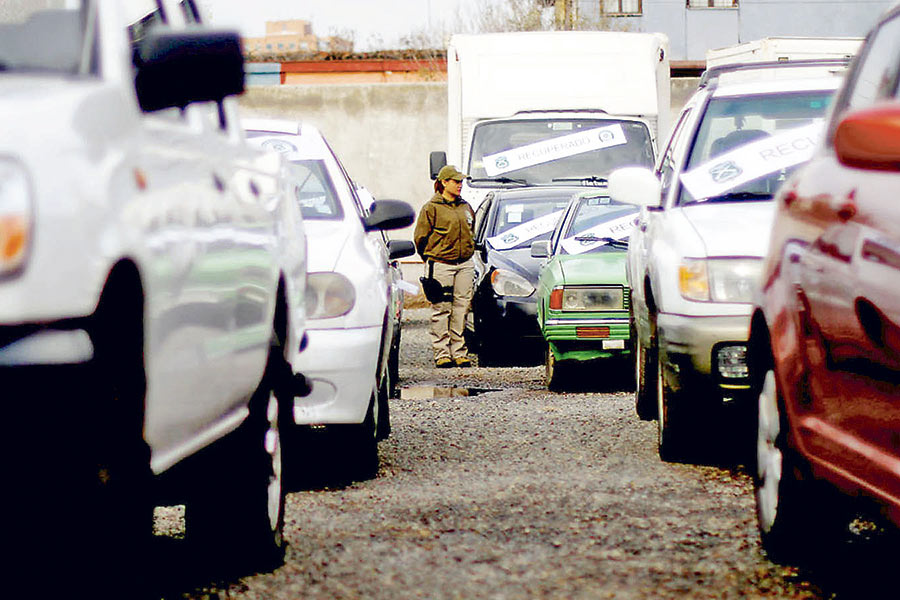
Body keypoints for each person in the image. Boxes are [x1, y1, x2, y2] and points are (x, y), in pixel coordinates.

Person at [413, 165, 476, 368]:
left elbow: (471, 230)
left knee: (461, 308)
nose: (460, 185)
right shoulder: (431, 208)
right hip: (441, 264)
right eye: (456, 181)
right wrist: (432, 259)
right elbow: (420, 238)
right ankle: (442, 352)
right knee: (441, 308)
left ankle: (459, 351)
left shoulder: (465, 207)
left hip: (464, 264)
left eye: (461, 182)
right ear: (444, 183)